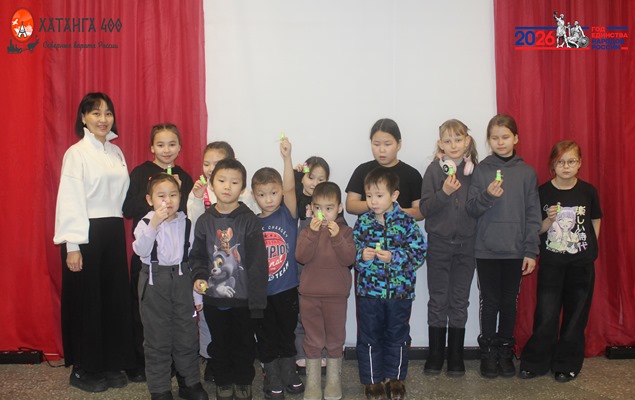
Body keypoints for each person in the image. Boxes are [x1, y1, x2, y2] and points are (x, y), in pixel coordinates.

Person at [53, 92, 135, 393]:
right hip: (85, 233)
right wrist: (72, 246)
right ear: (84, 118)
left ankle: (111, 362)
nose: (103, 119)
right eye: (96, 113)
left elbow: (124, 197)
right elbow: (70, 199)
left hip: (113, 232)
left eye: (108, 113)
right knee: (87, 302)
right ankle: (84, 367)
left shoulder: (116, 152)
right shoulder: (76, 153)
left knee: (113, 300)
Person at [465, 114, 542, 379]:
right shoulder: (482, 170)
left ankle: (505, 351)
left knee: (509, 302)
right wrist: (487, 196)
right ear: (489, 140)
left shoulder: (527, 172)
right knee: (489, 302)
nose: (500, 142)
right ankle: (488, 352)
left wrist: (530, 250)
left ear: (516, 138)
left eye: (505, 137)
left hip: (515, 249)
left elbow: (533, 215)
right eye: (495, 137)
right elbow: (471, 208)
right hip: (486, 249)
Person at [519, 141, 602, 383]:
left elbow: (595, 219)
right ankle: (536, 361)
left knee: (576, 315)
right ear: (552, 164)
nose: (566, 166)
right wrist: (548, 220)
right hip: (552, 263)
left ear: (580, 163)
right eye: (560, 162)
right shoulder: (543, 192)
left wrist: (591, 246)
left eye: (571, 161)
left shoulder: (588, 191)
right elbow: (537, 229)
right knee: (546, 313)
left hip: (581, 264)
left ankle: (567, 364)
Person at [190, 158, 268, 400]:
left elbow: (258, 263)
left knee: (244, 343)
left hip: (243, 299)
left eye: (234, 182)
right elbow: (197, 256)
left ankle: (243, 380)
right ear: (212, 184)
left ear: (242, 188)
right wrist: (199, 277)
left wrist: (257, 301)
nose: (227, 186)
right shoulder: (205, 220)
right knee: (219, 343)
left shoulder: (249, 219)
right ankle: (223, 381)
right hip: (214, 298)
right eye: (222, 180)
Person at [122, 123, 194, 383]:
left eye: (172, 144)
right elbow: (128, 208)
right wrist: (158, 197)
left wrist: (177, 195)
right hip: (147, 257)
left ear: (180, 147)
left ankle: (178, 367)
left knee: (179, 318)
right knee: (144, 315)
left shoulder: (184, 176)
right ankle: (143, 363)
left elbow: (188, 215)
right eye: (160, 144)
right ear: (152, 147)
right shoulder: (141, 173)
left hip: (176, 261)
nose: (166, 150)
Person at [353, 167, 427, 400]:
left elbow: (419, 253)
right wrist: (361, 256)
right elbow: (351, 253)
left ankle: (395, 380)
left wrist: (394, 257)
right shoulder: (363, 222)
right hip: (369, 293)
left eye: (379, 195)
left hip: (399, 293)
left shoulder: (407, 222)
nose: (373, 201)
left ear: (394, 196)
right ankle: (372, 381)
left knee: (398, 336)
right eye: (369, 196)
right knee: (369, 337)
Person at [132, 174, 208, 400]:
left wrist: (197, 297)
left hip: (183, 282)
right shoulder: (145, 223)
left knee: (187, 335)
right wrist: (154, 224)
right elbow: (141, 250)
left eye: (173, 195)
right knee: (157, 339)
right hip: (155, 284)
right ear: (150, 200)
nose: (168, 201)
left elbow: (193, 260)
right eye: (161, 196)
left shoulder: (186, 223)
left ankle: (189, 382)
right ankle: (159, 388)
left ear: (180, 197)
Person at [419, 119, 478, 377]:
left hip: (467, 245)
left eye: (458, 139)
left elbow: (478, 207)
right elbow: (425, 209)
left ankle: (456, 355)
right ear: (440, 144)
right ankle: (435, 354)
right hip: (439, 245)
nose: (453, 145)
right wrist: (443, 192)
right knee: (438, 299)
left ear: (467, 141)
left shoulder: (475, 171)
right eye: (448, 140)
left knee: (459, 300)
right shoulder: (434, 171)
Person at [251, 137, 305, 399]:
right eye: (262, 194)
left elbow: (292, 189)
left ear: (281, 192)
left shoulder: (287, 214)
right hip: (261, 294)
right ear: (254, 196)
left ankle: (289, 373)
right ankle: (271, 376)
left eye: (273, 193)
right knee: (266, 337)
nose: (268, 199)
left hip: (286, 289)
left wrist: (287, 158)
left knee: (286, 333)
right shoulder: (251, 222)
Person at [295, 182, 356, 400]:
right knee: (312, 339)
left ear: (339, 208)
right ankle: (312, 384)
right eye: (318, 208)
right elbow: (301, 256)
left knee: (335, 339)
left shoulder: (346, 232)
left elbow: (349, 259)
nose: (323, 213)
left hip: (336, 296)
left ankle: (333, 382)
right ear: (311, 208)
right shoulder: (306, 231)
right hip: (310, 295)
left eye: (329, 208)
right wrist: (311, 234)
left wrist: (337, 237)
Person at [293, 156, 330, 373]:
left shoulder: (328, 204)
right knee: (300, 312)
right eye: (310, 177)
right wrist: (296, 176)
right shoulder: (298, 199)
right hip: (299, 266)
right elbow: (291, 196)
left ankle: (321, 353)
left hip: (321, 268)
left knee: (320, 314)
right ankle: (300, 353)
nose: (314, 183)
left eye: (321, 179)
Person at [345, 118, 423, 221]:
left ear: (399, 144)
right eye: (376, 144)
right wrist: (374, 203)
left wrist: (395, 211)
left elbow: (420, 212)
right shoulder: (362, 170)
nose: (382, 150)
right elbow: (350, 205)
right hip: (368, 229)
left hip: (400, 229)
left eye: (387, 144)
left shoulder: (412, 174)